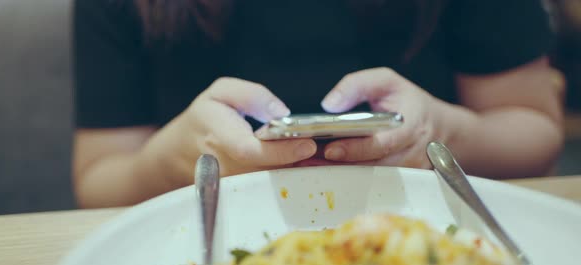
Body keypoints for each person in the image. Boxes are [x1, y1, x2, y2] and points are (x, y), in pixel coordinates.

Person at [72, 0, 564, 208]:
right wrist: (172, 162)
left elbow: (535, 132)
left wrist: (442, 131)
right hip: (205, 249)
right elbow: (98, 178)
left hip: (427, 232)